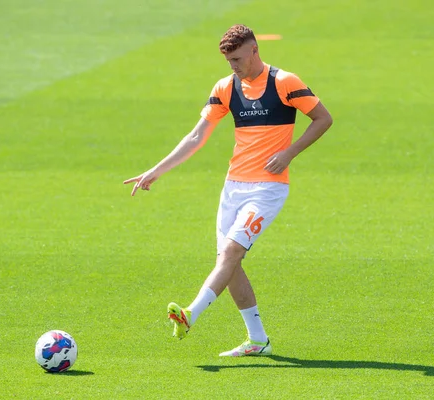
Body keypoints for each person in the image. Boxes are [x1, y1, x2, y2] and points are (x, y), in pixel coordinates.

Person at [123, 24, 333, 357]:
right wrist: (155, 170)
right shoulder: (225, 88)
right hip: (233, 187)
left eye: (237, 58)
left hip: (267, 189)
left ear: (254, 49)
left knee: (232, 253)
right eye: (228, 60)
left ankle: (190, 314)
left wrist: (290, 152)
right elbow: (196, 137)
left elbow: (323, 118)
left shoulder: (284, 83)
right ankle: (258, 340)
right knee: (228, 262)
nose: (233, 66)